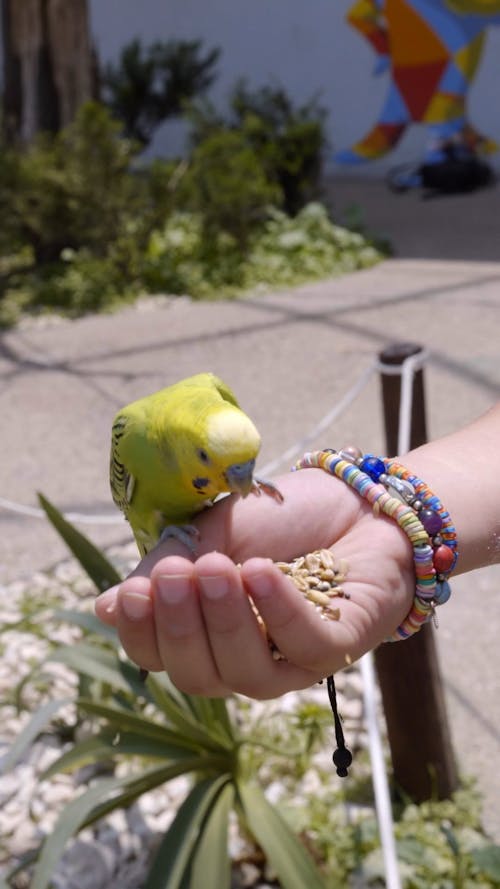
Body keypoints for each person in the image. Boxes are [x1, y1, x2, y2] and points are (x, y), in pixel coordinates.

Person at [95, 402, 500, 700]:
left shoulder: (213, 395)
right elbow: (126, 498)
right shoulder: (132, 431)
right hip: (155, 517)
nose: (239, 482)